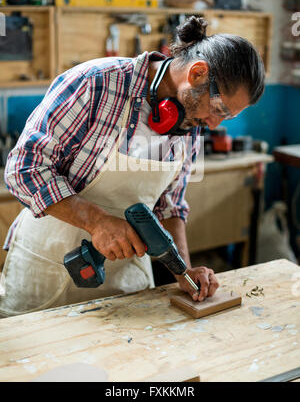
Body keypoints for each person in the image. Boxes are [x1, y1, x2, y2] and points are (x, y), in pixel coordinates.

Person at [0, 16, 265, 317]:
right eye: (219, 109)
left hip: (124, 286)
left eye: (226, 118)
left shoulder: (192, 121)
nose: (215, 123)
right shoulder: (95, 83)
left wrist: (184, 271)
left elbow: (170, 205)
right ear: (198, 73)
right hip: (45, 270)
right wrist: (97, 221)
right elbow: (24, 169)